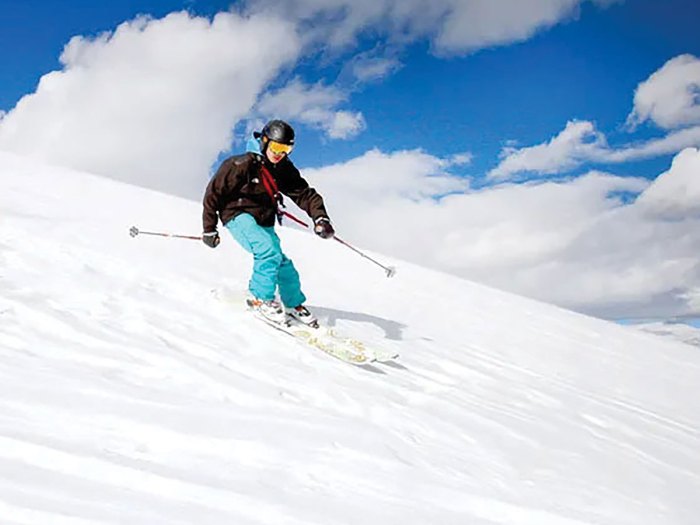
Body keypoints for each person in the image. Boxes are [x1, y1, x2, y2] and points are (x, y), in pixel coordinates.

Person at [202, 119, 335, 325]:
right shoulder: (239, 164)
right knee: (267, 251)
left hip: (263, 220)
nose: (279, 153)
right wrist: (209, 229)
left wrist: (320, 217)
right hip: (237, 215)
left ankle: (293, 304)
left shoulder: (283, 168)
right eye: (276, 147)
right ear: (264, 141)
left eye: (286, 149)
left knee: (283, 263)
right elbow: (213, 194)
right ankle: (259, 299)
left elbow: (305, 194)